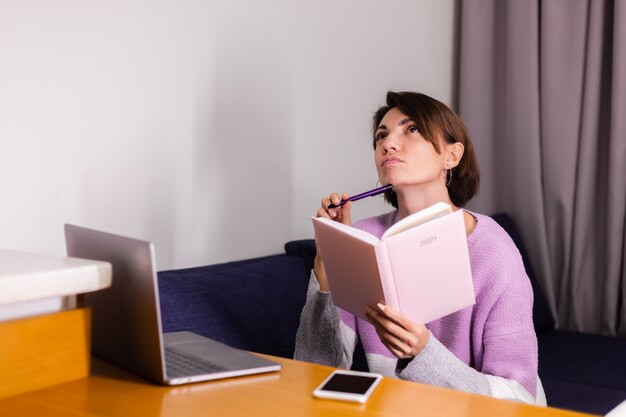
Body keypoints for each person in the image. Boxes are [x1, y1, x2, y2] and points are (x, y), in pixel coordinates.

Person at [294, 91, 546, 405]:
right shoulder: (364, 240)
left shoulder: (493, 250)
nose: (388, 143)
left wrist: (422, 353)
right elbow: (314, 371)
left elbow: (518, 399)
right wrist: (328, 264)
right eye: (381, 136)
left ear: (452, 156)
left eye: (411, 129)